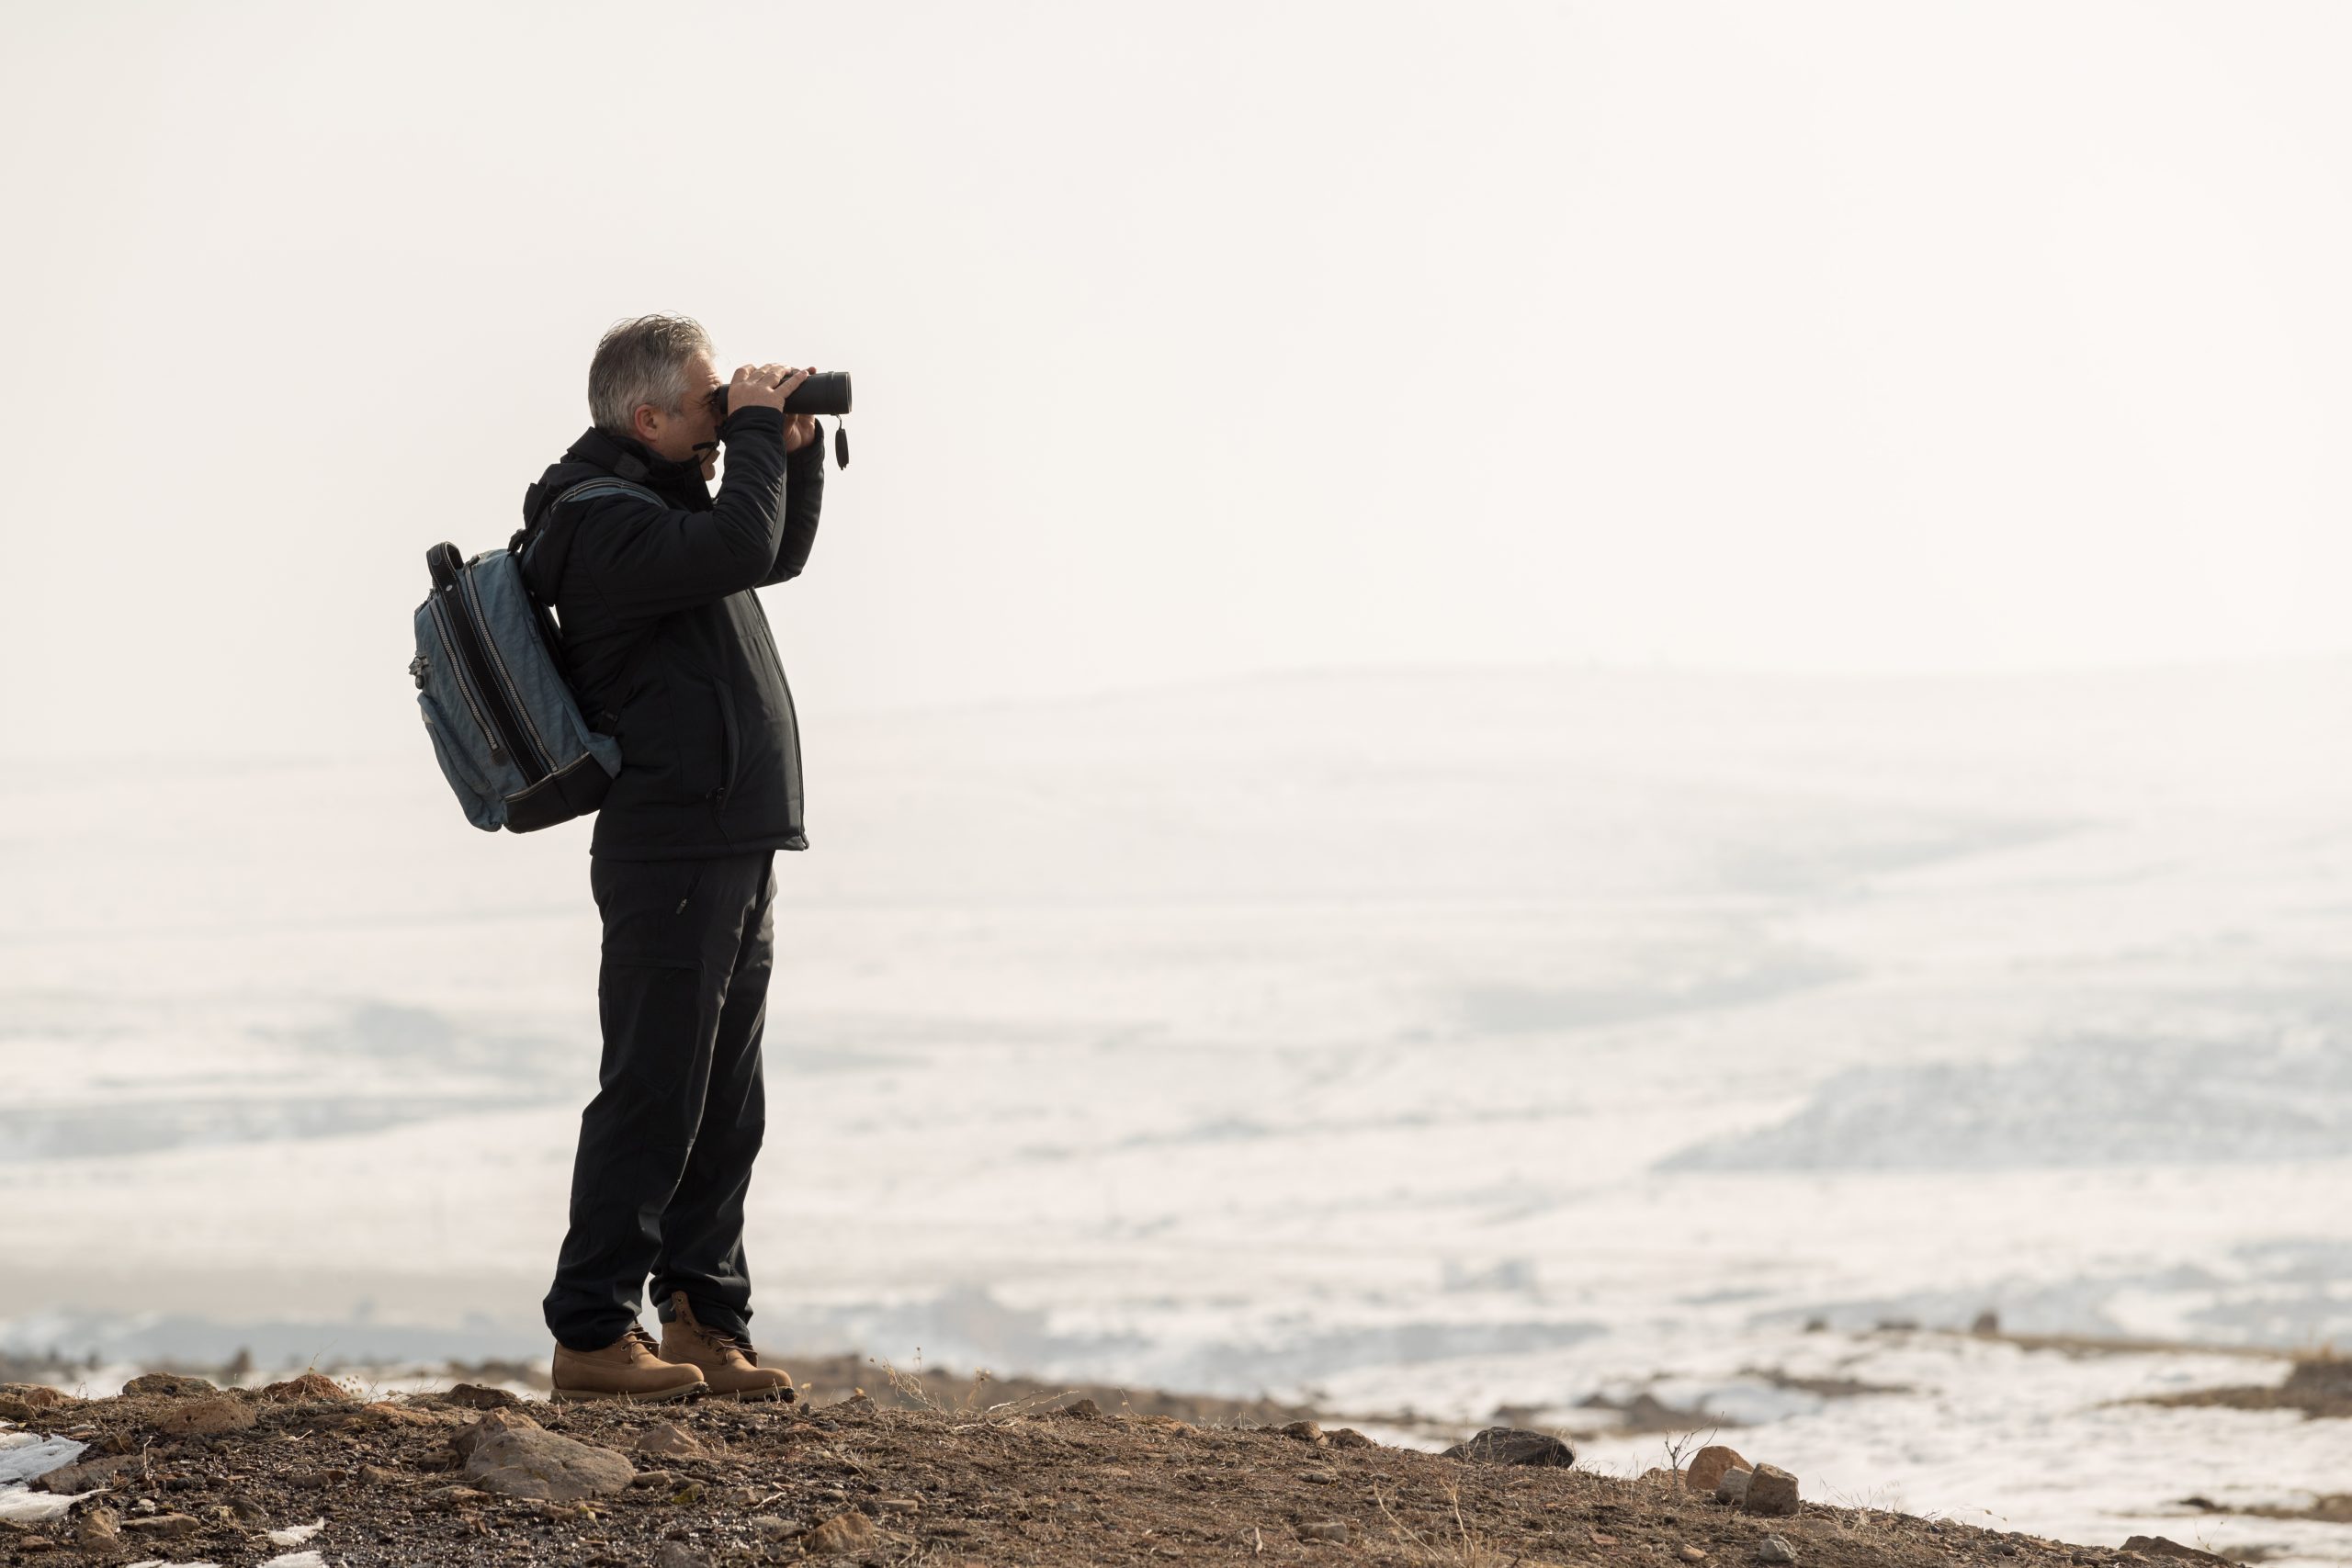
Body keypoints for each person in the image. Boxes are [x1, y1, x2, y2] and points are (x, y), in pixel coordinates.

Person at [512, 313, 826, 1401]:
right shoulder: (600, 526)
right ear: (645, 417)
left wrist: (783, 454)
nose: (719, 415)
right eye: (705, 402)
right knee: (654, 1089)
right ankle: (593, 1330)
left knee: (725, 1099)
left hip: (729, 834)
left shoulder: (657, 514)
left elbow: (768, 553)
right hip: (672, 842)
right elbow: (739, 545)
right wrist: (744, 439)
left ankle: (701, 1316)